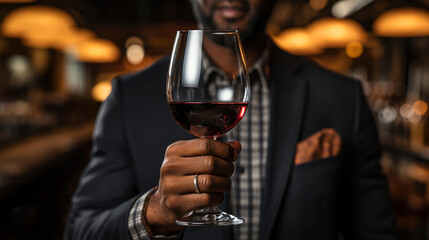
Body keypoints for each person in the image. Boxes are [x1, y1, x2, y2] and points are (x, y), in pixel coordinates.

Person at [65, 0, 397, 239]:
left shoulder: (343, 97)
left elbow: (376, 230)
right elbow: (80, 230)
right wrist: (155, 212)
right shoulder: (129, 96)